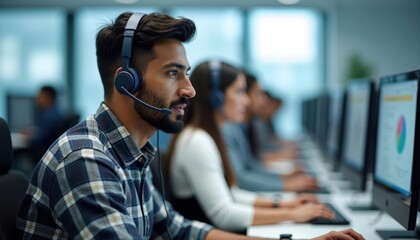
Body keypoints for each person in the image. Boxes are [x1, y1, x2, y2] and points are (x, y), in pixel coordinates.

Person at [16, 11, 364, 240]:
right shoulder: (86, 160)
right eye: (172, 73)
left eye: (186, 71)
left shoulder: (132, 155)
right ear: (126, 82)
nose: (190, 89)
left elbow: (180, 230)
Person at [165, 61, 335, 233]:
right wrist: (291, 213)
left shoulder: (205, 136)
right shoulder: (197, 141)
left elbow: (232, 193)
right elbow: (224, 214)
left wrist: (285, 203)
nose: (246, 101)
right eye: (239, 92)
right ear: (216, 97)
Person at [21, 85, 64, 163]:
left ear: (48, 97)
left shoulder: (50, 116)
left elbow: (39, 140)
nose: (37, 99)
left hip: (44, 154)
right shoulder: (56, 112)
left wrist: (27, 138)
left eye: (40, 96)